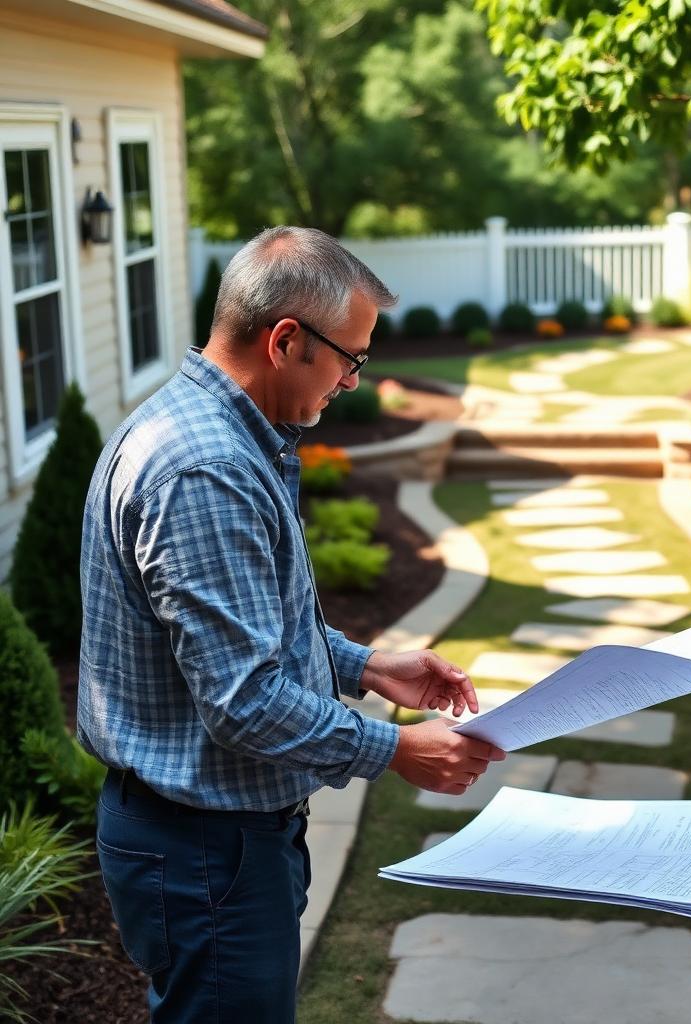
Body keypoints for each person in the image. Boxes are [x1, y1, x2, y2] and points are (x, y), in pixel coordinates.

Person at [78, 226, 506, 1023]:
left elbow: (243, 637)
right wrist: (395, 749)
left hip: (213, 841)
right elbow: (242, 699)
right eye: (351, 358)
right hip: (206, 848)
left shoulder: (216, 434)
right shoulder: (203, 468)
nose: (351, 381)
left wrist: (367, 665)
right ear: (285, 340)